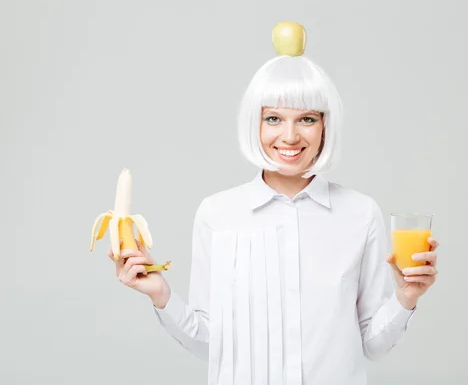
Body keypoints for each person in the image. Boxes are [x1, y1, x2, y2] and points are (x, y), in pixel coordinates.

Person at [108, 21, 439, 385]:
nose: (290, 136)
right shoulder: (217, 214)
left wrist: (406, 296)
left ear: (325, 126)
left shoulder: (360, 214)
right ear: (256, 124)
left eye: (307, 119)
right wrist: (160, 293)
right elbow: (211, 344)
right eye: (274, 119)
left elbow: (374, 345)